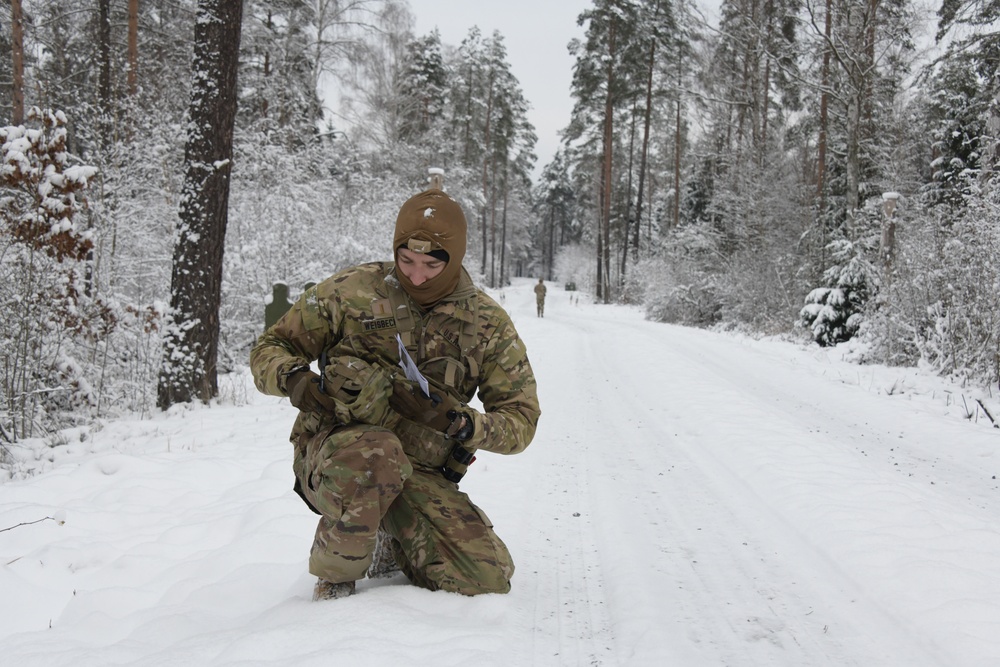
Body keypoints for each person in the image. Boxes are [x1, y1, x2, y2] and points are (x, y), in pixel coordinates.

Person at [250, 188, 540, 601]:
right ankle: (335, 580)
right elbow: (269, 349)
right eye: (406, 260)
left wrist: (458, 422)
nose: (416, 275)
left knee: (485, 576)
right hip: (334, 453)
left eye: (430, 264)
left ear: (454, 259)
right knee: (377, 452)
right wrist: (297, 383)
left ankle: (394, 533)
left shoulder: (487, 324)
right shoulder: (351, 291)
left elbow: (521, 422)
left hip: (417, 469)